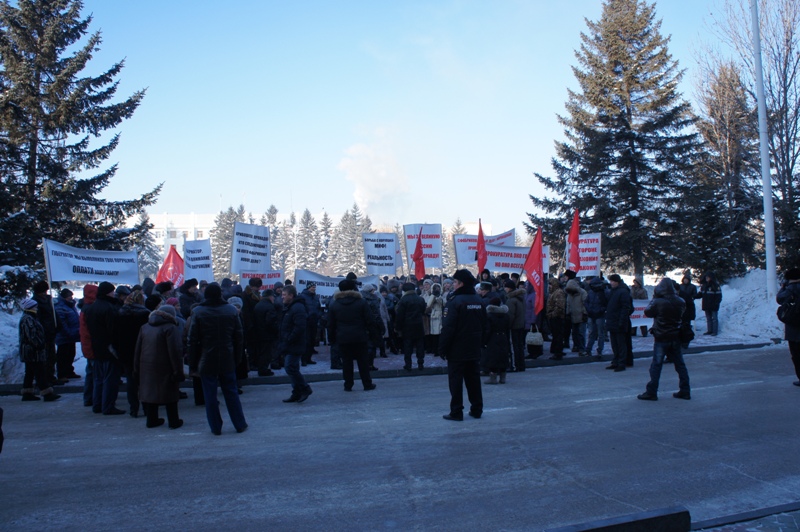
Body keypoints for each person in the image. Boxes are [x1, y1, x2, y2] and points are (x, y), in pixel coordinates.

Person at [187, 283, 248, 435]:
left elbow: (192, 340)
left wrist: (192, 364)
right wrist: (237, 358)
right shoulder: (231, 310)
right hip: (227, 357)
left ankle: (215, 427)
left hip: (206, 358)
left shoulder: (198, 312)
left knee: (210, 395)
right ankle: (239, 423)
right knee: (231, 392)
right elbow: (239, 337)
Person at [439, 269, 487, 421]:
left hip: (457, 349)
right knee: (473, 380)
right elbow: (485, 325)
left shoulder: (455, 301)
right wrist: (482, 342)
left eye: (454, 282)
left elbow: (448, 328)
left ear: (460, 283)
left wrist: (442, 348)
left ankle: (456, 411)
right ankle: (477, 409)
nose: (452, 285)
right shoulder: (478, 300)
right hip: (474, 347)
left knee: (456, 382)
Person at [637, 278, 690, 401]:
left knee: (656, 365)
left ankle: (652, 391)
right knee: (680, 365)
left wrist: (655, 299)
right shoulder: (680, 301)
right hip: (675, 335)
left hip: (661, 337)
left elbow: (648, 312)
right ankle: (685, 389)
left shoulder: (658, 302)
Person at [134, 304, 185, 428]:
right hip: (165, 365)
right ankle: (173, 421)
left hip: (146, 366)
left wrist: (136, 369)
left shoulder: (145, 327)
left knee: (151, 393)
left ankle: (151, 420)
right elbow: (175, 351)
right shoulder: (170, 328)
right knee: (170, 395)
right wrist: (178, 371)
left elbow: (138, 350)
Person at [327, 279, 377, 392]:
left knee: (346, 362)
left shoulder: (335, 304)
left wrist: (332, 339)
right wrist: (373, 335)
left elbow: (330, 324)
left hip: (343, 337)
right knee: (363, 362)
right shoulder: (361, 302)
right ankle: (367, 384)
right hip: (360, 336)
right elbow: (370, 320)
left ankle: (348, 385)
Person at [84, 281, 125, 415]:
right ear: (108, 292)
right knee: (110, 379)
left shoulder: (91, 307)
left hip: (97, 347)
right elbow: (113, 330)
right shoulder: (109, 308)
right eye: (112, 291)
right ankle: (108, 406)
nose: (114, 294)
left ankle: (97, 404)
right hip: (109, 348)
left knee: (98, 378)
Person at [113, 290, 150, 418]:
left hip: (125, 351)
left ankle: (133, 408)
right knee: (144, 381)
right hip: (142, 350)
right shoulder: (145, 314)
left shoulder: (120, 313)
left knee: (131, 381)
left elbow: (116, 334)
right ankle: (147, 408)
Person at [18, 298, 60, 402]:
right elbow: (32, 336)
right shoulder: (28, 319)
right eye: (35, 306)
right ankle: (47, 393)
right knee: (39, 372)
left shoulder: (29, 317)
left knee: (30, 372)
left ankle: (27, 393)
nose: (36, 308)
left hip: (30, 351)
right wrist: (40, 345)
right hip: (33, 351)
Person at [279, 285, 313, 403]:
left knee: (290, 367)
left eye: (284, 295)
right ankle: (296, 392)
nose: (282, 297)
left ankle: (304, 388)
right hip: (290, 343)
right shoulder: (291, 307)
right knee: (292, 367)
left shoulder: (297, 308)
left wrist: (289, 338)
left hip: (295, 343)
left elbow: (299, 327)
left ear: (291, 296)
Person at [395, 282, 427, 371]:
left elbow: (399, 315)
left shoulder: (403, 300)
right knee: (420, 345)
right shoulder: (420, 299)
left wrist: (397, 327)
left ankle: (408, 365)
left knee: (408, 346)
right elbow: (423, 310)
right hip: (419, 325)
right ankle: (420, 363)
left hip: (407, 326)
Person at [776, 267, 800, 387]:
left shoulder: (789, 290)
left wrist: (783, 287)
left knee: (796, 355)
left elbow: (779, 299)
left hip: (792, 328)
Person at [605, 274, 633, 372]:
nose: (611, 283)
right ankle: (615, 361)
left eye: (612, 281)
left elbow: (626, 308)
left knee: (621, 344)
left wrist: (621, 321)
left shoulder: (623, 291)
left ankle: (622, 362)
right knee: (614, 344)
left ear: (617, 281)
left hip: (619, 322)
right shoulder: (613, 291)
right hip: (612, 321)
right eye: (610, 281)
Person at [54, 288, 81, 380]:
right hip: (64, 336)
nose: (71, 297)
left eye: (71, 296)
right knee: (62, 356)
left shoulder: (71, 305)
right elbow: (62, 322)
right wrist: (68, 332)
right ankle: (62, 374)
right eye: (69, 296)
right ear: (64, 297)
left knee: (70, 354)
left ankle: (69, 371)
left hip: (72, 335)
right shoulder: (60, 306)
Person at [78, 284, 98, 407]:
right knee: (93, 374)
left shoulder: (86, 307)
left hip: (88, 345)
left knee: (91, 373)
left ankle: (89, 398)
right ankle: (92, 398)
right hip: (91, 345)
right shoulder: (90, 309)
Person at [253, 289, 279, 376]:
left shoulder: (258, 305)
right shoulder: (270, 307)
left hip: (258, 333)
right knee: (266, 353)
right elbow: (270, 322)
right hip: (267, 334)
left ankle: (261, 368)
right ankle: (263, 370)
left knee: (261, 352)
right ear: (270, 296)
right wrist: (276, 331)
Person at [484, 297, 510, 384]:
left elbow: (488, 330)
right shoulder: (506, 315)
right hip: (503, 337)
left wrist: (484, 341)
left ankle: (493, 377)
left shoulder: (490, 315)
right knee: (503, 356)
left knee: (492, 357)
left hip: (493, 338)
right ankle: (503, 377)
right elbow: (508, 328)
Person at [504, 280, 526, 371]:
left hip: (514, 326)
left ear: (509, 288)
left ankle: (514, 365)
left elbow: (510, 315)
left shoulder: (511, 300)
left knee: (514, 347)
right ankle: (521, 365)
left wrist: (507, 326)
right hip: (521, 325)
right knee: (520, 346)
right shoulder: (520, 298)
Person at [585, 277, 609, 358]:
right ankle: (589, 350)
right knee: (592, 333)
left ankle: (599, 350)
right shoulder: (591, 292)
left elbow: (606, 304)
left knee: (600, 334)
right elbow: (586, 302)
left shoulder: (604, 292)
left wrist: (601, 310)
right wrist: (589, 310)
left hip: (599, 315)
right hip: (592, 315)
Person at [299, 282, 321, 365]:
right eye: (312, 287)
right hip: (306, 322)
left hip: (314, 321)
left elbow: (318, 308)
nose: (314, 289)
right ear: (308, 288)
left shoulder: (315, 297)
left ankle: (309, 358)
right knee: (306, 341)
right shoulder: (302, 296)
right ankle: (304, 359)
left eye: (314, 287)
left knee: (312, 341)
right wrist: (306, 316)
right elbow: (301, 308)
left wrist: (318, 315)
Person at [565, 278, 588, 356]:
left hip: (581, 316)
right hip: (573, 316)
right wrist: (567, 313)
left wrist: (585, 313)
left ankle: (582, 348)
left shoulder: (582, 293)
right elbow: (568, 304)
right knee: (574, 333)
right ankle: (576, 346)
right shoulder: (569, 294)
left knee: (581, 333)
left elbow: (585, 304)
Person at [546, 277, 566, 360]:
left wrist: (553, 314)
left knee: (558, 335)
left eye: (550, 284)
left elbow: (559, 306)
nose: (549, 286)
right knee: (555, 335)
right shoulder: (553, 292)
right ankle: (555, 350)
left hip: (557, 317)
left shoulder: (558, 293)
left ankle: (558, 352)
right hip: (553, 316)